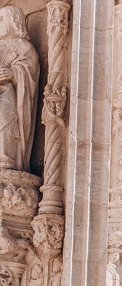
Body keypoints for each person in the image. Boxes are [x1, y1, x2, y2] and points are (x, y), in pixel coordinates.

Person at [0, 6, 39, 172]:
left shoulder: (24, 47)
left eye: (1, 19)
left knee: (5, 118)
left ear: (12, 21)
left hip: (9, 95)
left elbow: (29, 72)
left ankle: (7, 158)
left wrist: (13, 73)